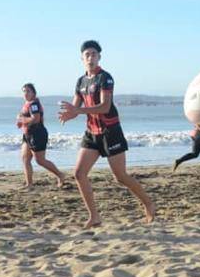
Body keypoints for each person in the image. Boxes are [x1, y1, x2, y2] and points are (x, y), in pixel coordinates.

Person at [58, 40, 156, 228]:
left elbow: (105, 106)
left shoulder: (105, 78)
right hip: (92, 133)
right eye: (87, 54)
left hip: (110, 132)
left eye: (94, 54)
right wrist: (69, 114)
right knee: (79, 173)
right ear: (82, 58)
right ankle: (94, 217)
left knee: (120, 177)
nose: (90, 58)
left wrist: (77, 111)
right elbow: (76, 106)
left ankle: (148, 203)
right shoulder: (80, 81)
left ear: (99, 57)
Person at [17, 83, 67, 188]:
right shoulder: (27, 103)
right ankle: (29, 184)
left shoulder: (34, 104)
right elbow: (24, 117)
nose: (25, 93)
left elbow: (36, 119)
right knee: (25, 159)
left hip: (37, 134)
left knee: (40, 160)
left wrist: (23, 120)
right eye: (24, 91)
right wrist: (20, 121)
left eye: (28, 91)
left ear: (33, 93)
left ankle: (60, 175)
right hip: (27, 134)